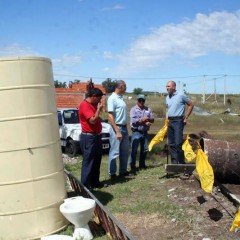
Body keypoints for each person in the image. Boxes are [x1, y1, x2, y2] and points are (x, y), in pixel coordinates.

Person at [78, 88, 105, 190]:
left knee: (97, 160)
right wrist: (98, 109)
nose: (99, 101)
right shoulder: (84, 105)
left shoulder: (92, 105)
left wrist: (98, 109)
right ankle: (85, 187)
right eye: (99, 98)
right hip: (89, 137)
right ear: (93, 96)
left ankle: (94, 182)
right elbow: (93, 121)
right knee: (88, 162)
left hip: (96, 136)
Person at [166, 80, 194, 164]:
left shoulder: (181, 95)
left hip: (178, 121)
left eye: (169, 86)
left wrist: (186, 117)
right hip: (170, 121)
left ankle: (182, 164)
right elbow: (168, 109)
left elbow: (191, 104)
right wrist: (166, 120)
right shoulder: (167, 97)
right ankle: (174, 164)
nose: (167, 88)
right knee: (171, 144)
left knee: (178, 143)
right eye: (166, 86)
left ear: (174, 87)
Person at [107, 80, 129, 178]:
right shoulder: (112, 98)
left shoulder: (121, 98)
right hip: (117, 128)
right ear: (120, 87)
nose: (126, 88)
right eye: (125, 87)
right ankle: (112, 173)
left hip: (124, 127)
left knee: (124, 151)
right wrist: (117, 131)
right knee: (115, 151)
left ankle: (123, 171)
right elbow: (110, 116)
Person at [129, 94, 154, 172]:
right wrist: (145, 120)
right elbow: (134, 121)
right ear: (137, 100)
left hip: (145, 132)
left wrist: (148, 119)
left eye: (143, 100)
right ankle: (132, 166)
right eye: (140, 100)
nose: (141, 102)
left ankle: (142, 165)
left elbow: (152, 119)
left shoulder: (148, 109)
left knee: (144, 149)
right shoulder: (133, 109)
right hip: (136, 131)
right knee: (134, 150)